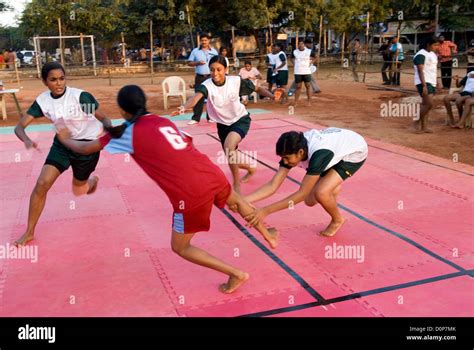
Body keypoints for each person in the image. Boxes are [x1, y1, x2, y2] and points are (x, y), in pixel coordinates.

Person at [57, 85, 279, 294]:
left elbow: (85, 148)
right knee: (237, 202)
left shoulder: (127, 133)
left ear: (123, 110)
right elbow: (185, 144)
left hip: (189, 194)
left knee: (180, 247)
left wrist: (64, 137)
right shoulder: (161, 121)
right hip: (210, 172)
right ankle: (268, 235)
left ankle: (236, 273)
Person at [13, 62, 112, 246]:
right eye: (53, 80)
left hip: (86, 147)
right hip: (62, 145)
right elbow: (19, 127)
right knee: (42, 184)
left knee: (79, 190)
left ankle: (91, 181)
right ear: (45, 82)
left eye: (61, 78)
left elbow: (103, 117)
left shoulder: (80, 97)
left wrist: (110, 132)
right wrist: (26, 140)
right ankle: (29, 232)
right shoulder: (43, 101)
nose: (59, 83)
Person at [172, 55, 274, 194]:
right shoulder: (206, 85)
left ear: (226, 69)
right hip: (222, 125)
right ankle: (250, 168)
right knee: (230, 154)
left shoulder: (236, 81)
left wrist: (272, 96)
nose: (215, 73)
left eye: (219, 69)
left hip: (240, 119)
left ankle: (236, 186)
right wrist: (183, 107)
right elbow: (195, 98)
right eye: (212, 70)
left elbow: (257, 89)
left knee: (229, 147)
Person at [244, 128, 368, 238]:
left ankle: (337, 219)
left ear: (301, 153)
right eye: (283, 158)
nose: (285, 162)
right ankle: (332, 185)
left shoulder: (319, 155)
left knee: (321, 193)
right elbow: (273, 185)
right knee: (310, 201)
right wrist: (243, 200)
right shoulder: (292, 149)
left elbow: (301, 194)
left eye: (287, 158)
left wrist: (265, 211)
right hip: (335, 148)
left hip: (354, 152)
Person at [187, 33, 218, 125]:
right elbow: (189, 62)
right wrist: (197, 63)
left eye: (206, 40)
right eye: (202, 40)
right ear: (200, 41)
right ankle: (196, 118)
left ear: (209, 41)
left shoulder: (214, 51)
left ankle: (211, 117)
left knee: (211, 97)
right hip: (200, 77)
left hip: (211, 77)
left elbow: (217, 62)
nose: (204, 42)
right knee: (198, 97)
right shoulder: (195, 51)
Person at [413, 36, 441, 133]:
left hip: (431, 81)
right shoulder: (420, 55)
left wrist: (437, 82)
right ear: (428, 44)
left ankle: (424, 127)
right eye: (435, 45)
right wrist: (424, 85)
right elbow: (420, 71)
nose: (437, 47)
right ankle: (416, 121)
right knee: (429, 104)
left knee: (426, 105)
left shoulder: (433, 54)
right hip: (424, 82)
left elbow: (433, 70)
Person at [291, 39, 316, 107]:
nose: (300, 45)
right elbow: (292, 58)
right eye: (299, 44)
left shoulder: (309, 51)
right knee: (298, 87)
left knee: (308, 86)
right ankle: (296, 102)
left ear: (304, 44)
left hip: (306, 71)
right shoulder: (295, 52)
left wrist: (311, 62)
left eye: (302, 44)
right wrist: (294, 64)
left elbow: (315, 57)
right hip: (298, 71)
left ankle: (309, 102)